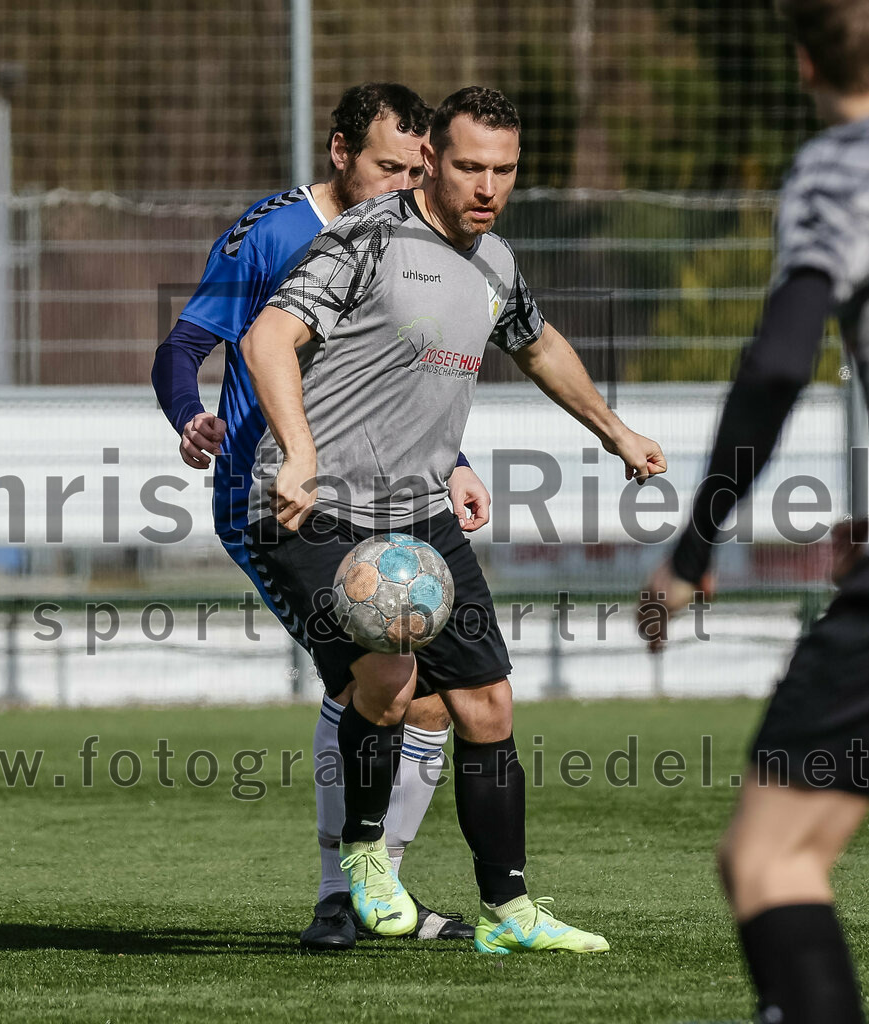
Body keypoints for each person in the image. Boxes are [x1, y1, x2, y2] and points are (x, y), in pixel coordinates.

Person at [241, 86, 666, 953]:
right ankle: (364, 856)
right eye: (470, 166)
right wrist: (297, 451)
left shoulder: (494, 262)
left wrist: (614, 429)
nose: (486, 186)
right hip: (315, 508)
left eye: (503, 171)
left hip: (417, 516)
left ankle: (508, 912)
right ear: (430, 158)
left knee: (485, 705)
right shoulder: (366, 240)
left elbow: (538, 343)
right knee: (390, 680)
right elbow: (266, 339)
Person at [151, 83, 484, 950]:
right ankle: (341, 898)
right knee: (371, 678)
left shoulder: (413, 239)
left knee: (433, 704)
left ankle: (382, 896)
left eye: (415, 169)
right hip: (276, 499)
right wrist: (189, 413)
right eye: (386, 167)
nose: (402, 184)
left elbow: (396, 384)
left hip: (380, 498)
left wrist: (452, 462)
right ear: (340, 153)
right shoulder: (272, 232)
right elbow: (185, 343)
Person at [638, 0, 869, 1017]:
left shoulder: (839, 165)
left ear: (804, 61)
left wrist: (694, 547)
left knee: (770, 860)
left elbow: (780, 363)